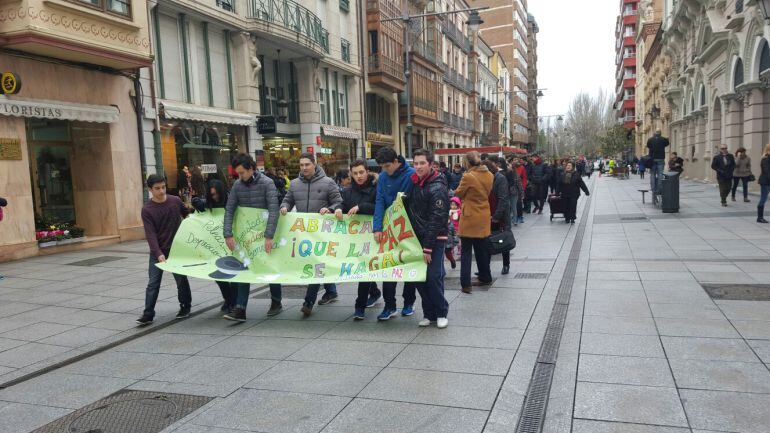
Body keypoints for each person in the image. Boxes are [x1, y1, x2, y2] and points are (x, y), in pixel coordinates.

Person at [281, 153, 343, 317]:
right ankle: (331, 291)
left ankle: (308, 302)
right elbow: (287, 200)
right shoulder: (294, 184)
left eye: (307, 164)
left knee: (316, 266)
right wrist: (285, 207)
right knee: (318, 264)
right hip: (304, 234)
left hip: (322, 234)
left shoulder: (328, 182)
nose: (304, 168)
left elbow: (338, 201)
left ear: (314, 164)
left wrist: (330, 209)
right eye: (301, 165)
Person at [223, 154, 283, 322]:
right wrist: (227, 233)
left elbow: (273, 210)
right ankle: (240, 309)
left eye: (242, 173)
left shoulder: (267, 183)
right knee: (245, 268)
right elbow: (230, 209)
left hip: (264, 234)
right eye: (238, 174)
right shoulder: (237, 185)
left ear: (251, 169)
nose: (240, 176)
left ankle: (276, 302)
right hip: (245, 236)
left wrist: (269, 236)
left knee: (269, 267)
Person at [136, 175, 192, 325]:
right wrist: (158, 253)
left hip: (177, 250)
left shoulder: (175, 201)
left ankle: (185, 306)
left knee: (181, 280)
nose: (161, 191)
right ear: (150, 190)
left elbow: (187, 215)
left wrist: (188, 222)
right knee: (153, 282)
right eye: (157, 188)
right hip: (158, 251)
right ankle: (148, 313)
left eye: (163, 187)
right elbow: (150, 234)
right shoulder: (147, 209)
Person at [405, 149, 450, 328]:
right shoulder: (416, 183)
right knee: (419, 277)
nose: (418, 167)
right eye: (415, 163)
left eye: (422, 163)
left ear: (431, 165)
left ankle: (441, 312)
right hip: (417, 239)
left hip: (434, 240)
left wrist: (428, 247)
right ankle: (428, 313)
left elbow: (437, 219)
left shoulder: (438, 187)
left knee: (433, 276)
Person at [372, 147, 416, 321]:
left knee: (408, 266)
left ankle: (408, 303)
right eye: (382, 167)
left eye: (388, 166)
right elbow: (379, 201)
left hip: (408, 227)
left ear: (397, 161)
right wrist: (377, 228)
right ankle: (389, 306)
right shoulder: (383, 177)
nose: (385, 170)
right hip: (389, 228)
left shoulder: (411, 174)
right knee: (388, 267)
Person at [340, 159, 382, 320]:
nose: (359, 176)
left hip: (372, 236)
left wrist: (361, 207)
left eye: (361, 172)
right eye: (355, 173)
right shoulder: (347, 190)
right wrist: (334, 209)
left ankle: (360, 306)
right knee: (363, 269)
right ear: (351, 174)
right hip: (354, 237)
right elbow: (344, 206)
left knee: (364, 271)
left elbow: (381, 208)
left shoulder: (376, 187)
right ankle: (375, 292)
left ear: (367, 172)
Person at [192, 180, 236, 313]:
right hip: (216, 244)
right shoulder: (210, 203)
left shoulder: (231, 201)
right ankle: (228, 299)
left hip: (231, 242)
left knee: (234, 275)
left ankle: (233, 301)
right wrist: (198, 201)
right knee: (218, 275)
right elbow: (196, 202)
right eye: (212, 195)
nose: (215, 197)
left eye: (216, 194)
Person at [455, 151, 494, 294]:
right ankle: (485, 277)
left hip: (470, 216)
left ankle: (466, 284)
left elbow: (458, 193)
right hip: (483, 214)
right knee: (481, 250)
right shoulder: (490, 175)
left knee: (466, 251)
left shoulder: (468, 176)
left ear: (467, 163)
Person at [486, 156, 511, 275]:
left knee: (502, 239)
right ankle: (486, 267)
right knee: (488, 240)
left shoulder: (500, 178)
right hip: (488, 214)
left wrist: (496, 216)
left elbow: (503, 199)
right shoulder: (487, 179)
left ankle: (506, 265)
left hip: (500, 216)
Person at [505, 157, 523, 227]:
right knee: (513, 207)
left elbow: (519, 184)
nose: (508, 167)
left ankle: (511, 220)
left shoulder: (507, 174)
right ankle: (514, 220)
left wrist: (521, 192)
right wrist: (521, 193)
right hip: (514, 192)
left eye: (508, 166)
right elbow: (519, 184)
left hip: (510, 192)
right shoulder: (516, 174)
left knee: (511, 207)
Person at [446, 197, 461, 269]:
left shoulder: (459, 212)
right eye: (452, 205)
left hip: (455, 230)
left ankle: (452, 260)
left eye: (455, 205)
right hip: (445, 234)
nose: (453, 206)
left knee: (448, 252)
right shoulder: (448, 212)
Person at [758, 144, 770, 223]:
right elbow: (766, 172)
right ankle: (760, 217)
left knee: (763, 198)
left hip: (767, 181)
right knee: (763, 198)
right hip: (766, 182)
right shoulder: (766, 158)